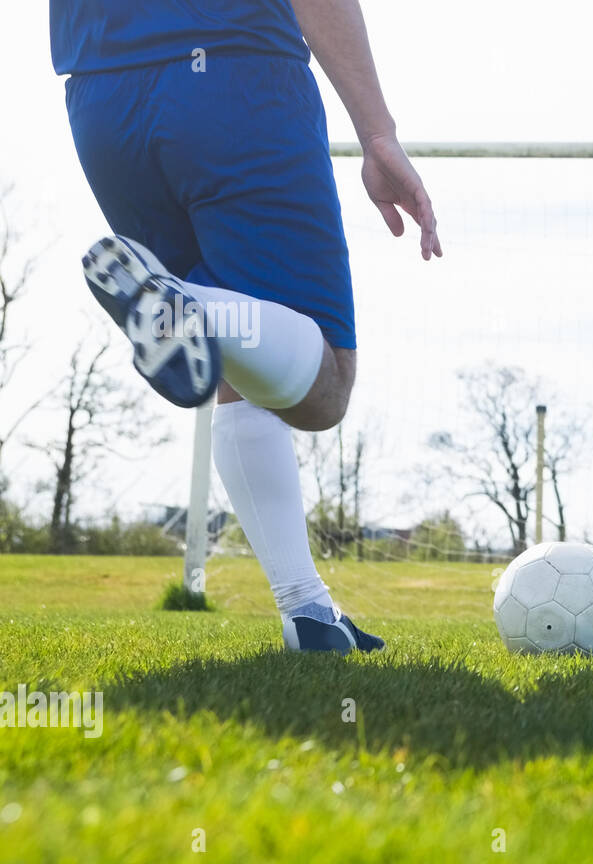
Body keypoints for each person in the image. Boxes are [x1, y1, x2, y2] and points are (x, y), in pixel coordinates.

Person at [51, 0, 440, 652]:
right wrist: (377, 133)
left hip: (98, 98)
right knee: (323, 382)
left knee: (237, 353)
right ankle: (188, 303)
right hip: (234, 77)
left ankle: (307, 611)